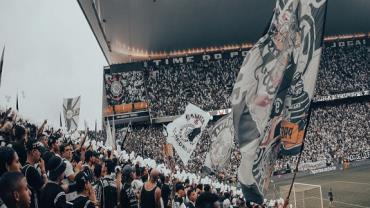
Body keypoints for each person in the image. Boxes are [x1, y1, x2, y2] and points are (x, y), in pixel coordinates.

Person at [23, 139, 46, 208]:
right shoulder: (31, 170)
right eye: (39, 151)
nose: (40, 154)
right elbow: (45, 190)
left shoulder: (24, 167)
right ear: (33, 152)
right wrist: (43, 171)